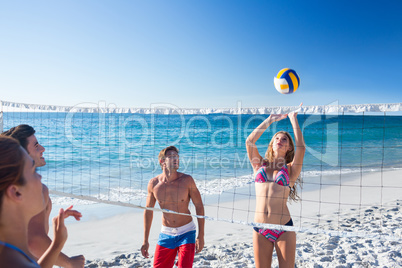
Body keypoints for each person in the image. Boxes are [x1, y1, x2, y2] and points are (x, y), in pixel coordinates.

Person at [1, 124, 85, 268]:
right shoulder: (34, 191)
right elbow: (34, 240)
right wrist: (69, 263)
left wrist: (57, 244)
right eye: (36, 145)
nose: (42, 148)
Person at [246, 110, 305, 268]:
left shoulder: (290, 170)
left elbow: (302, 148)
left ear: (288, 148)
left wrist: (293, 119)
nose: (280, 140)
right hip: (260, 228)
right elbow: (249, 142)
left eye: (284, 139)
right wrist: (270, 120)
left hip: (283, 228)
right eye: (276, 138)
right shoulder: (259, 165)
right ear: (271, 145)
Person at [141, 146, 205, 268]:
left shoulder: (187, 180)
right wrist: (145, 240)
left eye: (176, 156)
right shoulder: (154, 184)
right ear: (162, 161)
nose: (175, 159)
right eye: (170, 157)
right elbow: (148, 211)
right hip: (166, 233)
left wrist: (201, 235)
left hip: (187, 232)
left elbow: (199, 206)